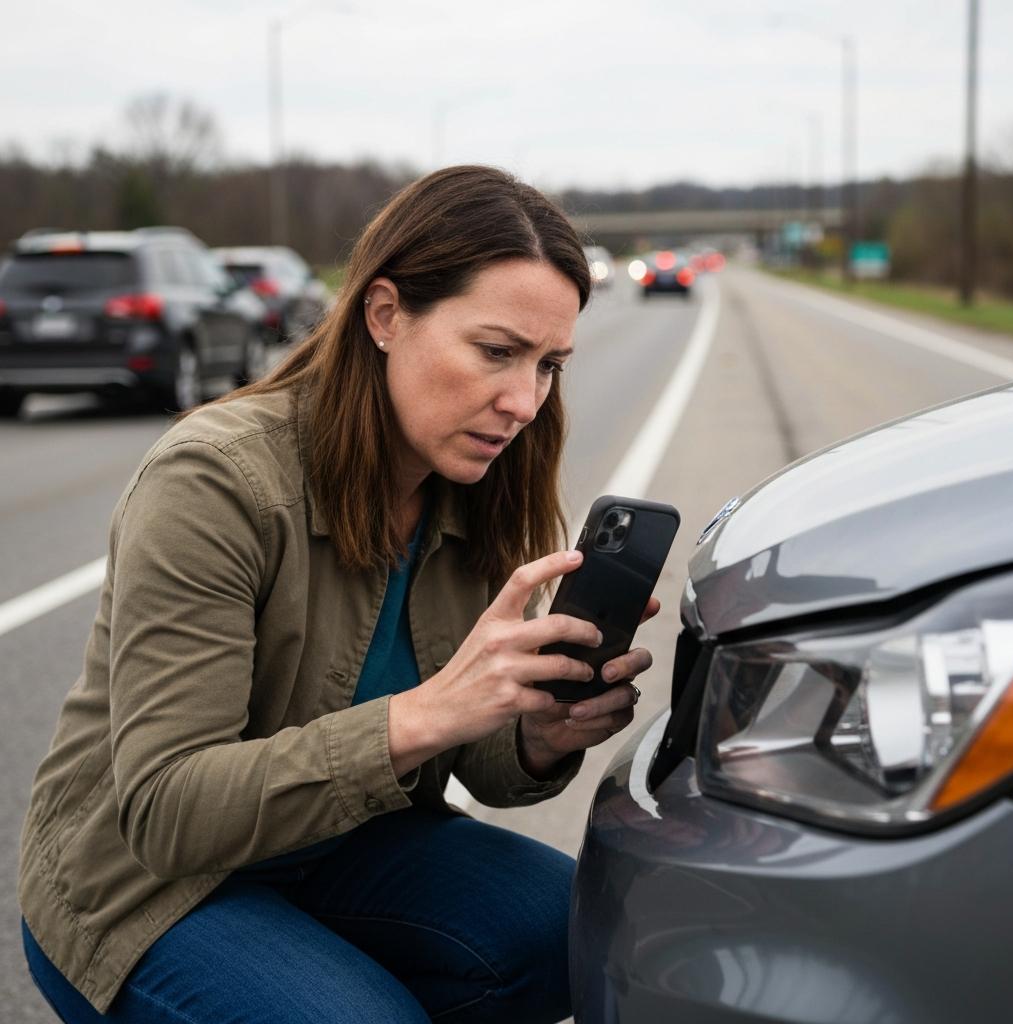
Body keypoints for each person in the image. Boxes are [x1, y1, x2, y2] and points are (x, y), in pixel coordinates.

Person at [19, 165, 658, 1023]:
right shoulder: (215, 480)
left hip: (342, 848)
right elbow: (167, 810)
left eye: (549, 365)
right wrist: (425, 715)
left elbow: (482, 766)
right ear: (386, 315)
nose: (522, 402)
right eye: (497, 352)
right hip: (145, 885)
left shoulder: (476, 480)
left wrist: (538, 734)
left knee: (590, 933)